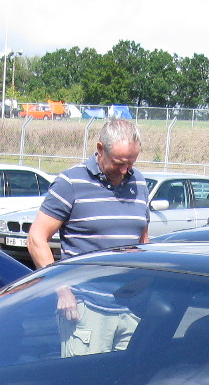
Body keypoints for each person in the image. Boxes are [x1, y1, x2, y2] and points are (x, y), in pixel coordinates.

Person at [26, 119, 150, 357]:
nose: (126, 170)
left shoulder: (139, 182)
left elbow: (143, 241)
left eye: (131, 162)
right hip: (87, 310)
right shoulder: (71, 183)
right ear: (100, 149)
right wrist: (61, 290)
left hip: (132, 309)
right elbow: (36, 239)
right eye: (119, 162)